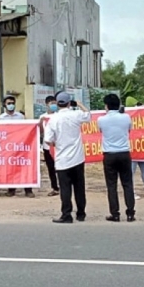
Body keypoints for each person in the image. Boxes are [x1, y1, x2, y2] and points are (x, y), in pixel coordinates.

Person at [44, 91, 91, 224]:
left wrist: (56, 143)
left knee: (65, 189)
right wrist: (80, 104)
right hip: (77, 158)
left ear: (57, 104)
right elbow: (88, 115)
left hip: (62, 160)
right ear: (69, 103)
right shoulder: (76, 114)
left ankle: (66, 214)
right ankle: (81, 213)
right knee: (79, 187)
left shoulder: (53, 119)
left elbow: (48, 140)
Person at [97, 93, 136, 222]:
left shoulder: (101, 119)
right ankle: (130, 212)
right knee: (128, 184)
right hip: (124, 153)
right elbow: (129, 130)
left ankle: (115, 213)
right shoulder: (126, 117)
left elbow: (101, 131)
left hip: (109, 154)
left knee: (111, 185)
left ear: (106, 106)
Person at [0, 95, 34, 198]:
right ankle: (11, 189)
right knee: (11, 168)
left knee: (24, 167)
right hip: (9, 147)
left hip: (21, 146)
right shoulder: (0, 118)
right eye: (9, 103)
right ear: (4, 105)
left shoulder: (20, 117)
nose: (11, 105)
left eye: (13, 103)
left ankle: (28, 190)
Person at [39, 95, 60, 197]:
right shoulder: (42, 117)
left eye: (55, 103)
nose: (54, 105)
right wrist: (40, 123)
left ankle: (63, 186)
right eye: (52, 104)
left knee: (60, 167)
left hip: (58, 146)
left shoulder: (59, 116)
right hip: (47, 147)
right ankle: (55, 187)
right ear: (47, 104)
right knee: (51, 168)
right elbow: (41, 132)